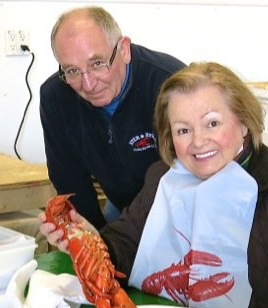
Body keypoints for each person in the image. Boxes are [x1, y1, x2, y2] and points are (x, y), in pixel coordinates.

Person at [41, 62, 268, 308]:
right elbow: (125, 245)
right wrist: (91, 240)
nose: (198, 141)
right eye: (183, 130)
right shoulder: (163, 177)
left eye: (212, 123)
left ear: (243, 122)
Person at [40, 5, 184, 229]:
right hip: (122, 205)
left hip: (180, 207)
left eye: (97, 64)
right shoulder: (55, 98)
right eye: (72, 71)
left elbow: (197, 176)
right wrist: (95, 243)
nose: (88, 85)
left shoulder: (170, 84)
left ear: (124, 49)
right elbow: (69, 180)